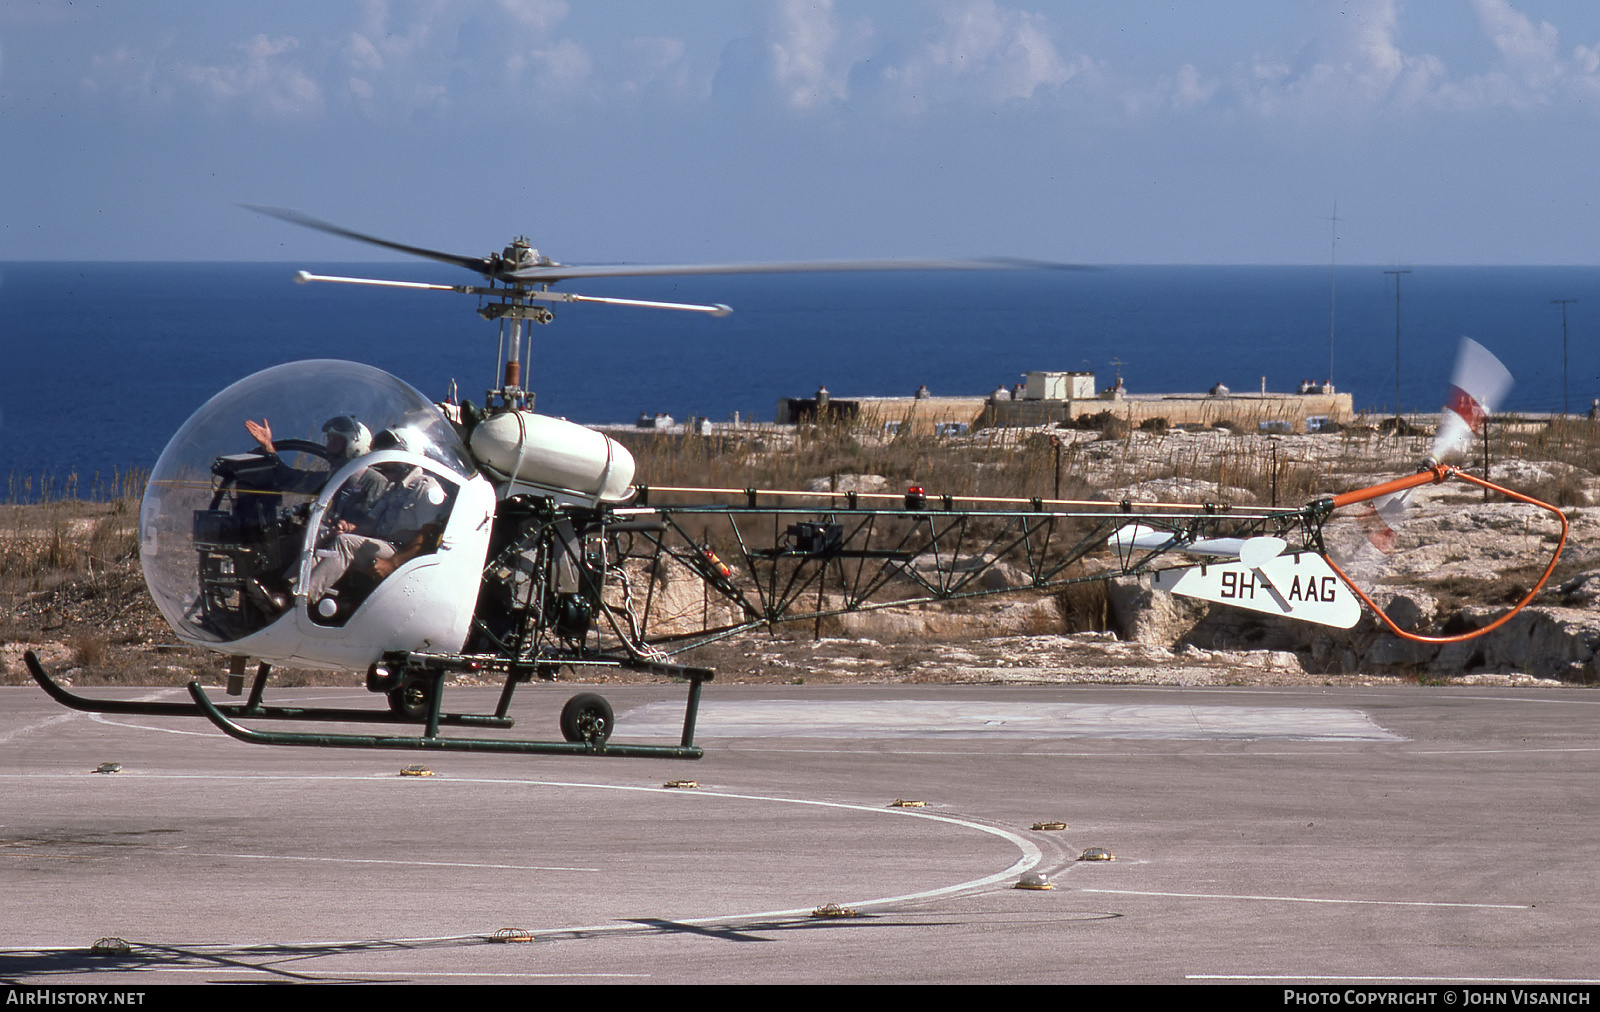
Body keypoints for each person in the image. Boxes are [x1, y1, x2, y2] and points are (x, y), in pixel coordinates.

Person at [304, 428, 451, 609]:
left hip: (400, 552)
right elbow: (370, 524)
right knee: (324, 538)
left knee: (345, 544)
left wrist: (392, 564)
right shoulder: (394, 489)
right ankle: (288, 589)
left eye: (391, 458)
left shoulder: (426, 487)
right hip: (380, 545)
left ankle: (301, 599)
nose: (385, 464)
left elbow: (428, 536)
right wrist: (349, 527)